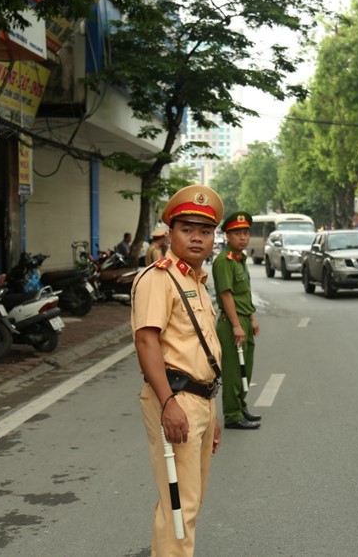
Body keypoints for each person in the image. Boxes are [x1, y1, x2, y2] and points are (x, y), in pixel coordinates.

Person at [132, 184, 224, 556]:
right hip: (173, 399)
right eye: (187, 229)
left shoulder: (196, 281)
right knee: (178, 504)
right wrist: (169, 402)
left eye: (205, 231)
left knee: (190, 500)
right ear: (170, 232)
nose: (197, 238)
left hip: (198, 400)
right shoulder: (159, 278)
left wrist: (210, 409)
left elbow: (200, 352)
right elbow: (146, 342)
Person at [211, 212, 261, 430]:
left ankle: (241, 407)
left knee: (245, 368)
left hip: (244, 320)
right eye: (237, 233)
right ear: (227, 236)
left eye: (245, 233)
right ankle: (232, 415)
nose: (243, 237)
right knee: (233, 370)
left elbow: (244, 293)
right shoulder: (224, 261)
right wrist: (236, 325)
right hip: (232, 322)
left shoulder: (240, 259)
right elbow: (226, 294)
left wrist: (252, 317)